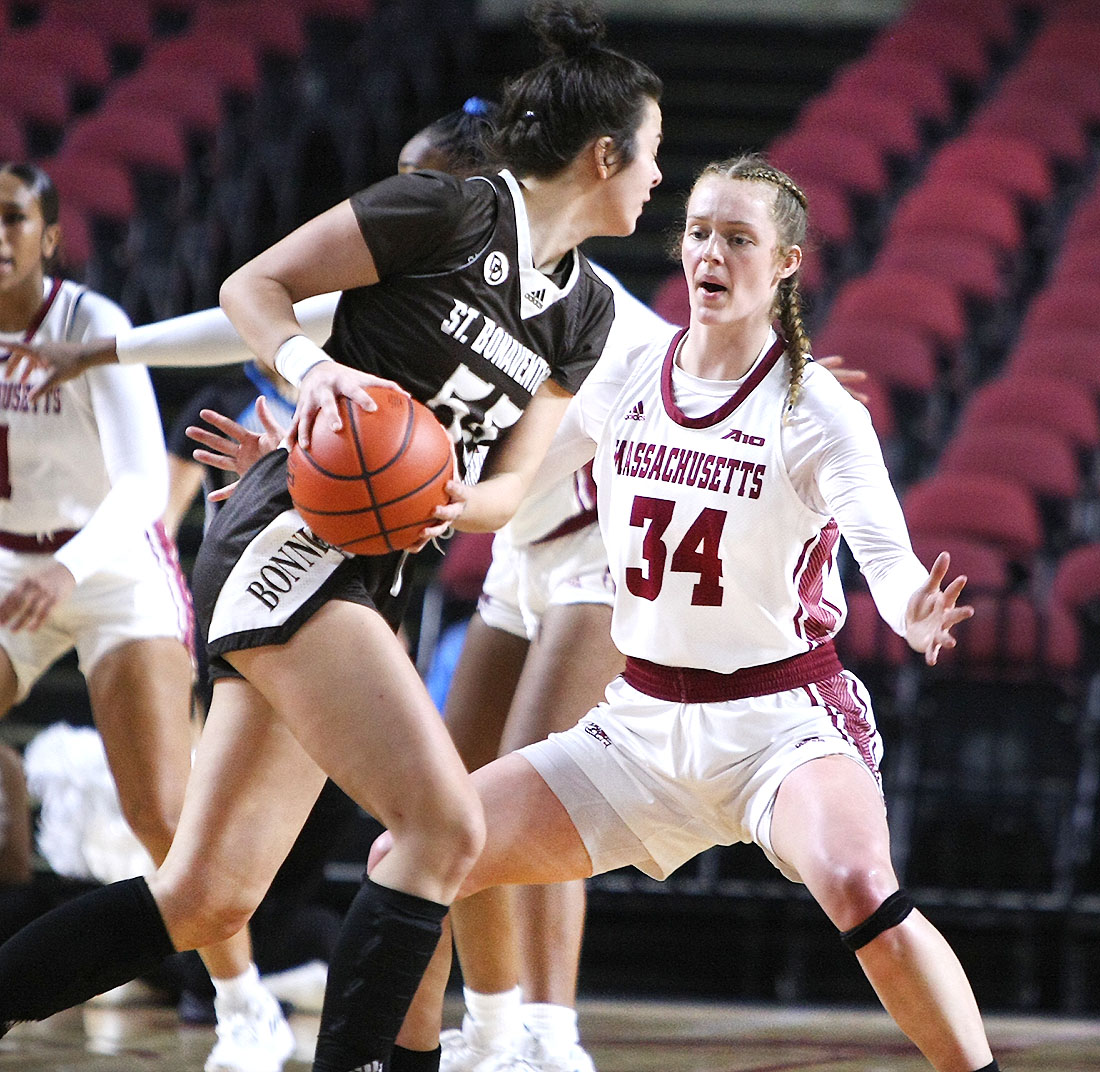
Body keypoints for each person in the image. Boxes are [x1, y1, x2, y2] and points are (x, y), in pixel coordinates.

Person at [0, 7, 665, 1072]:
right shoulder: (441, 209)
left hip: (378, 572)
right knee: (445, 823)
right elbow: (251, 289)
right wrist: (317, 379)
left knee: (206, 891)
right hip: (291, 540)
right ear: (602, 155)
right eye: (652, 155)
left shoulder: (582, 312)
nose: (654, 180)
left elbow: (505, 492)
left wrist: (445, 495)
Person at [369, 153, 1003, 1072]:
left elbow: (888, 556)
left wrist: (914, 611)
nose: (710, 252)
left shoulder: (817, 409)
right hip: (637, 726)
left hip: (780, 722)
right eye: (700, 231)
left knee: (861, 884)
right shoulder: (629, 369)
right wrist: (408, 493)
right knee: (412, 855)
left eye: (738, 238)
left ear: (786, 262)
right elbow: (518, 488)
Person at [0, 162, 295, 1072]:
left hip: (113, 564)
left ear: (48, 237)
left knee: (162, 812)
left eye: (11, 217)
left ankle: (245, 1007)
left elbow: (139, 485)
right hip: (14, 561)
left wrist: (68, 567)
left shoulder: (94, 326)